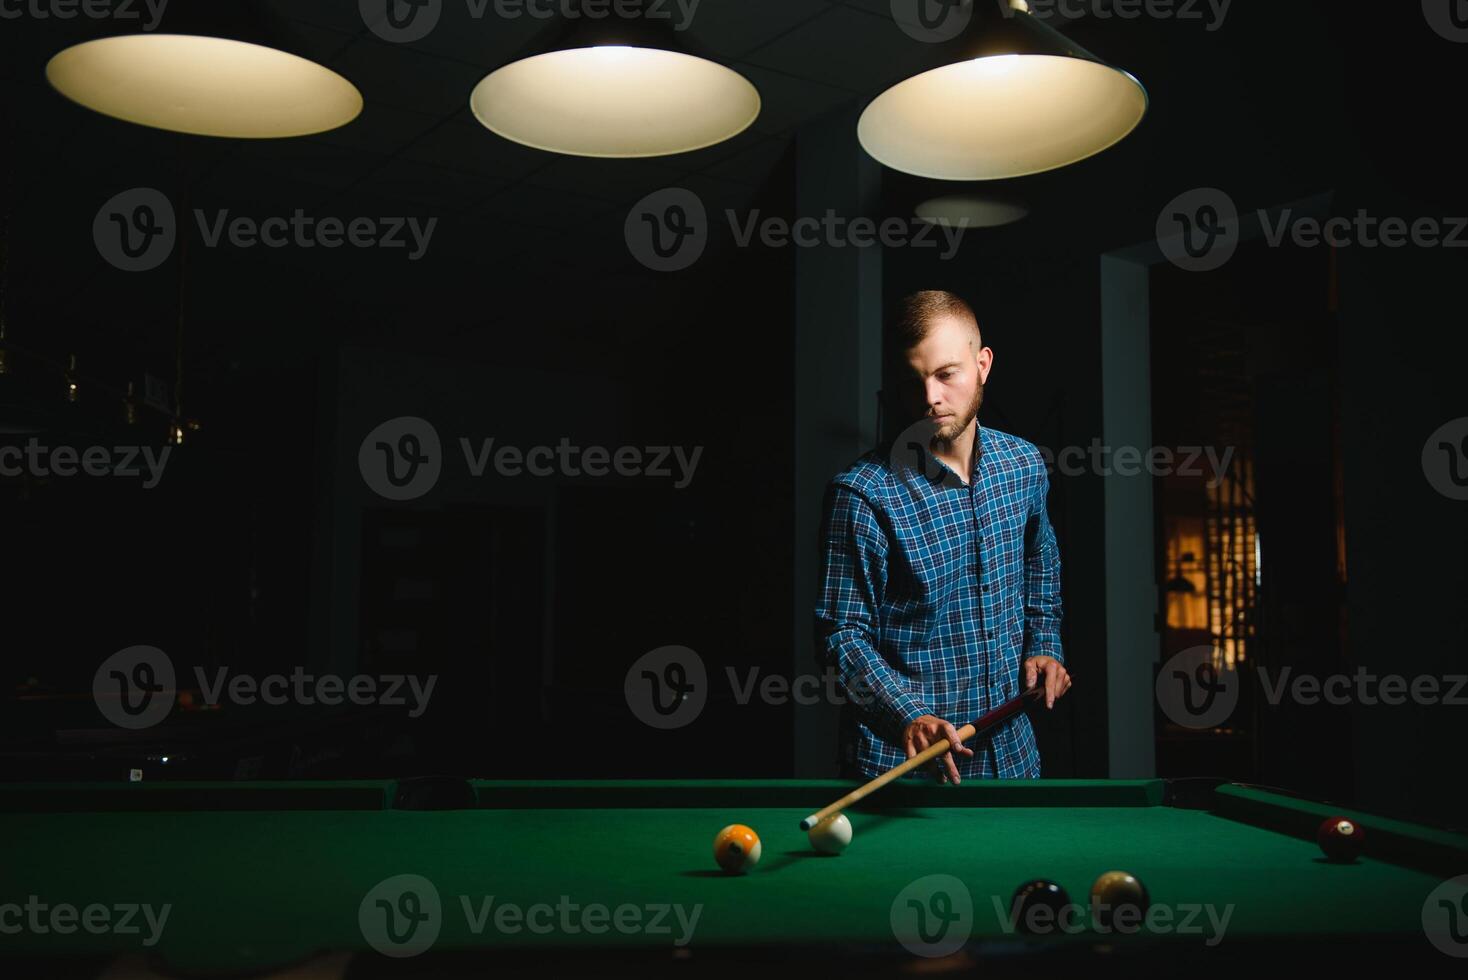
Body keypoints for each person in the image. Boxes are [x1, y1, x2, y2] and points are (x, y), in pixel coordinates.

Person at [815, 290, 1071, 782]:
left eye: (946, 374)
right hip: (906, 772)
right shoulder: (862, 494)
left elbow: (1040, 560)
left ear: (983, 365)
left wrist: (1045, 642)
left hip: (1014, 761)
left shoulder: (1024, 465)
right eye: (915, 380)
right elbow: (840, 635)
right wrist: (906, 715)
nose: (930, 398)